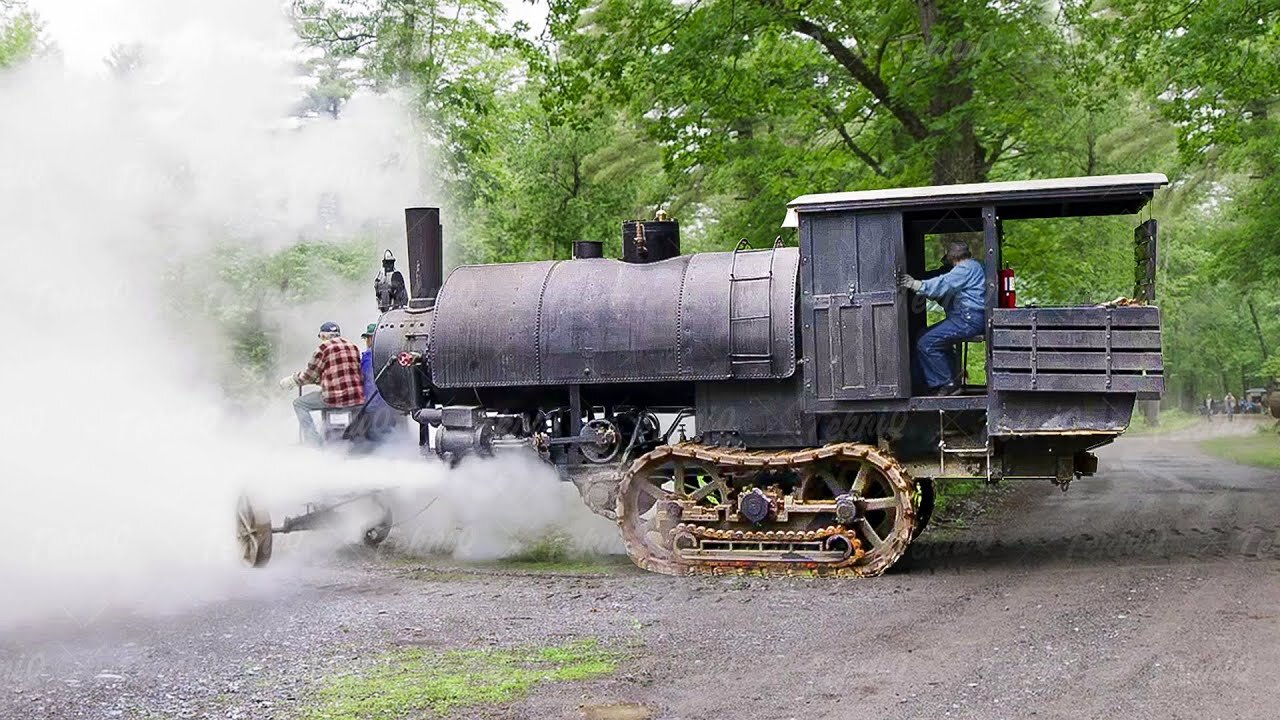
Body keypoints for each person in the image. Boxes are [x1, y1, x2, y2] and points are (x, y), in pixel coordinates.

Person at [899, 240, 986, 395]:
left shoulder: (965, 268)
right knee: (924, 336)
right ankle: (949, 376)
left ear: (951, 257)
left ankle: (948, 383)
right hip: (967, 317)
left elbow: (943, 283)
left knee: (926, 342)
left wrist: (915, 284)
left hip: (967, 319)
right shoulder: (975, 267)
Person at [280, 321, 365, 445]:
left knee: (299, 403)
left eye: (320, 336)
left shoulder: (323, 348)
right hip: (356, 397)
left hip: (333, 398)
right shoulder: (353, 347)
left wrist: (292, 380)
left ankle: (314, 443)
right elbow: (347, 372)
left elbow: (308, 376)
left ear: (324, 335)